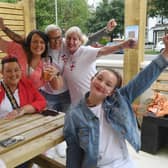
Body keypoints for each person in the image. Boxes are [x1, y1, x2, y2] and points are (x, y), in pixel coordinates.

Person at [63, 34, 168, 168]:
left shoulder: (119, 100)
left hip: (124, 163)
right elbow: (73, 151)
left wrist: (166, 53)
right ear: (91, 79)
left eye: (108, 84)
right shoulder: (74, 115)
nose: (101, 84)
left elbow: (143, 79)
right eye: (99, 78)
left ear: (112, 92)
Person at [63, 26, 135, 105]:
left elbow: (103, 50)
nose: (71, 41)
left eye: (75, 39)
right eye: (68, 38)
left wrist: (123, 45)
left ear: (80, 41)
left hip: (92, 101)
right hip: (77, 103)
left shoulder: (85, 51)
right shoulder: (67, 55)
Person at [0, 18, 63, 91]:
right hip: (7, 94)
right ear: (29, 43)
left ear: (46, 46)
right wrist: (3, 27)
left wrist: (56, 74)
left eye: (42, 42)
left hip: (28, 99)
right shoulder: (18, 49)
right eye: (35, 42)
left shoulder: (45, 64)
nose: (38, 45)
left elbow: (56, 87)